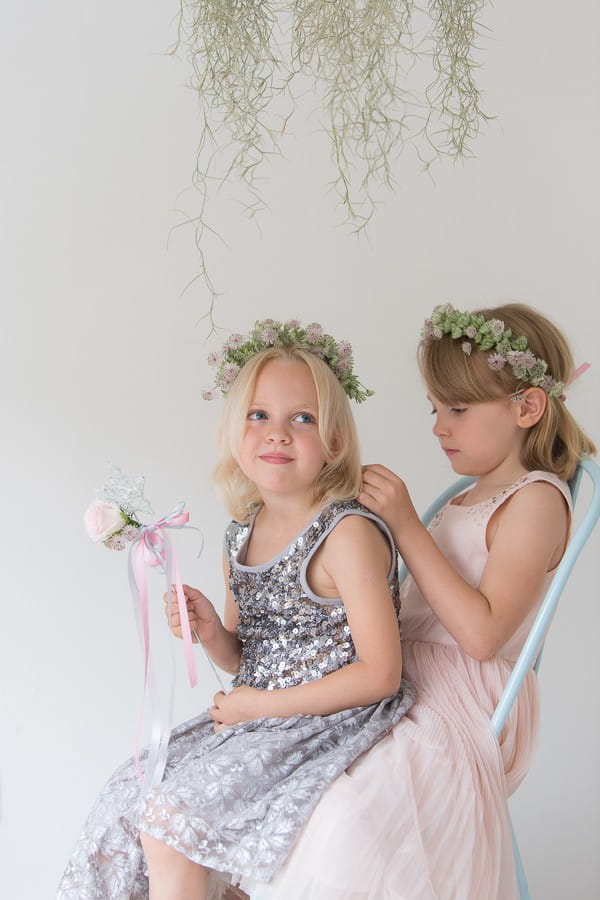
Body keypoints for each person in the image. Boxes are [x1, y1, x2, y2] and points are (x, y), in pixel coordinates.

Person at [242, 303, 596, 900]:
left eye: (457, 409)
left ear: (527, 407)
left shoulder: (536, 499)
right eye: (436, 409)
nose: (439, 426)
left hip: (465, 693)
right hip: (399, 676)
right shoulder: (467, 495)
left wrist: (405, 525)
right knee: (280, 769)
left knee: (344, 810)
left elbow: (483, 637)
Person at [57, 318, 415, 900]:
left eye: (303, 417)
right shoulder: (240, 534)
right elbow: (245, 657)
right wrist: (210, 632)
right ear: (234, 433)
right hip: (258, 711)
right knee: (127, 797)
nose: (277, 433)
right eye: (258, 416)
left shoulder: (345, 533)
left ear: (336, 441)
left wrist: (262, 707)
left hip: (324, 718)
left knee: (172, 823)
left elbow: (382, 674)